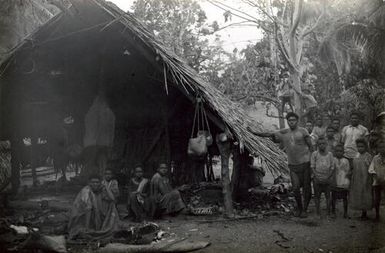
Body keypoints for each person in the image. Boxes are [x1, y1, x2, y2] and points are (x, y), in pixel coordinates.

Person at [249, 112, 313, 217]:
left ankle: (305, 209)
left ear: (297, 121)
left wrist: (312, 162)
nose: (291, 122)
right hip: (293, 165)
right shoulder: (284, 132)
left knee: (307, 188)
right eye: (289, 120)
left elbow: (311, 147)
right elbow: (269, 133)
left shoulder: (303, 131)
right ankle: (300, 208)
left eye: (293, 120)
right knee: (296, 188)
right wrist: (254, 132)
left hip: (305, 163)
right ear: (287, 121)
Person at [67, 174, 120, 240]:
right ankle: (89, 228)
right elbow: (88, 208)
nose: (95, 184)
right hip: (82, 216)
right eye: (93, 182)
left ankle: (105, 225)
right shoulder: (86, 190)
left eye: (97, 182)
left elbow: (112, 199)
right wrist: (87, 228)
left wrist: (106, 187)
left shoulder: (101, 189)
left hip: (95, 214)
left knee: (111, 204)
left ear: (100, 183)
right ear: (89, 183)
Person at [350, 139, 373, 220]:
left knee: (365, 193)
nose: (360, 148)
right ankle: (361, 212)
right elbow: (354, 166)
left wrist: (368, 178)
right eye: (358, 147)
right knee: (359, 193)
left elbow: (370, 168)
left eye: (362, 146)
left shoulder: (368, 156)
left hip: (365, 177)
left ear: (365, 147)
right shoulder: (356, 155)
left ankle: (365, 213)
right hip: (357, 177)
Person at [311, 137, 334, 217]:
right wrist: (317, 177)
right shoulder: (315, 154)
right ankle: (318, 212)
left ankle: (328, 212)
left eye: (323, 143)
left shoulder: (330, 154)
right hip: (317, 179)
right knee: (317, 196)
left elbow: (332, 167)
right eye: (320, 144)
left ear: (326, 144)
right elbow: (312, 167)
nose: (322, 145)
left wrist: (328, 176)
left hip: (327, 178)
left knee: (328, 195)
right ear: (317, 145)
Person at [331, 144, 351, 219]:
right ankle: (333, 211)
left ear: (343, 152)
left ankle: (345, 212)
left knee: (344, 197)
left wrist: (347, 178)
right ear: (334, 152)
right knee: (333, 197)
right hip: (335, 180)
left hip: (343, 180)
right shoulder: (333, 159)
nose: (338, 152)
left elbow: (348, 171)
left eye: (340, 151)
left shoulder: (346, 160)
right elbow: (331, 169)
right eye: (337, 151)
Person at [368, 140, 385, 221]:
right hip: (377, 181)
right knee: (377, 199)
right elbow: (371, 168)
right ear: (377, 149)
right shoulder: (375, 158)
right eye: (380, 147)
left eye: (384, 147)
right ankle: (377, 215)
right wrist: (375, 175)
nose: (382, 149)